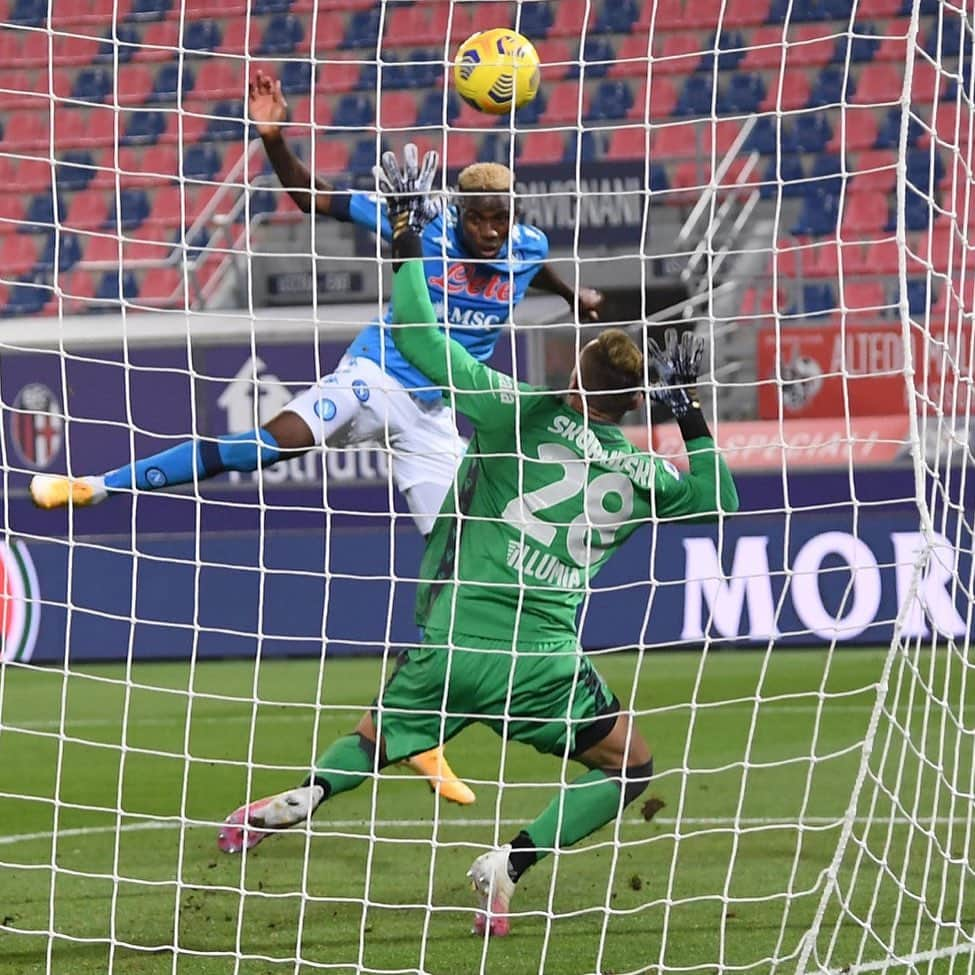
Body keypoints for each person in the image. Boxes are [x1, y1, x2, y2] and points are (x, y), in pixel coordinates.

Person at [28, 72, 602, 806]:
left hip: (433, 415)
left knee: (468, 566)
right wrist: (272, 135)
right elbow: (312, 198)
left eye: (502, 218)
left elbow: (535, 265)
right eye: (481, 219)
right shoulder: (418, 224)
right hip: (374, 376)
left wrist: (573, 293)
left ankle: (414, 731)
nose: (493, 231)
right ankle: (98, 484)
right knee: (268, 445)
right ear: (461, 212)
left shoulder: (524, 245)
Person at [214, 147, 739, 938]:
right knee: (631, 765)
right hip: (545, 663)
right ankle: (510, 863)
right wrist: (689, 414)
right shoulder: (643, 470)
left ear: (571, 377)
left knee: (374, 738)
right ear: (634, 404)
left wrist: (399, 245)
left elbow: (423, 343)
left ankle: (308, 793)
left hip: (457, 639)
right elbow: (718, 500)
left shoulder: (515, 410)